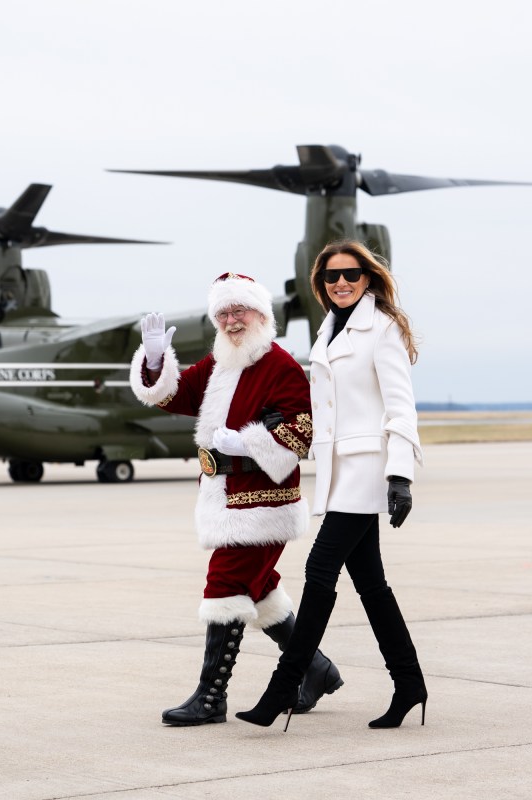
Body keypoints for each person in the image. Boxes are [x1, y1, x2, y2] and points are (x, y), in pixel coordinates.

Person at [131, 272, 343, 726]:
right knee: (259, 590)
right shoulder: (220, 364)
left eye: (238, 311)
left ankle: (211, 698)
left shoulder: (281, 365)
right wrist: (153, 359)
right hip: (224, 497)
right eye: (223, 313)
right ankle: (318, 669)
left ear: (261, 315)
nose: (230, 321)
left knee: (225, 586)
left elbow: (301, 433)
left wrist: (247, 443)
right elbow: (176, 394)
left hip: (262, 502)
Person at [236, 240, 426, 731]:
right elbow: (334, 406)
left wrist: (400, 475)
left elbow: (400, 408)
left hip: (365, 471)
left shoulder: (380, 328)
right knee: (372, 587)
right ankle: (409, 684)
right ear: (320, 284)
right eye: (331, 277)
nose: (341, 283)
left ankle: (283, 688)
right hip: (338, 471)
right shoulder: (328, 331)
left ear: (368, 278)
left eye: (351, 275)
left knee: (320, 572)